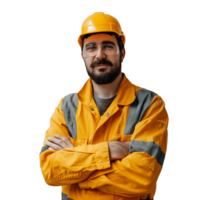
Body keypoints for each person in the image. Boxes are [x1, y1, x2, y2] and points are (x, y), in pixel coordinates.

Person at [37, 11, 171, 200]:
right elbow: (48, 171)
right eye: (91, 47)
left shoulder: (150, 104)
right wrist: (110, 150)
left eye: (108, 46)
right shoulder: (65, 106)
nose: (100, 55)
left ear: (123, 52)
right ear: (82, 55)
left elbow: (143, 177)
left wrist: (75, 168)